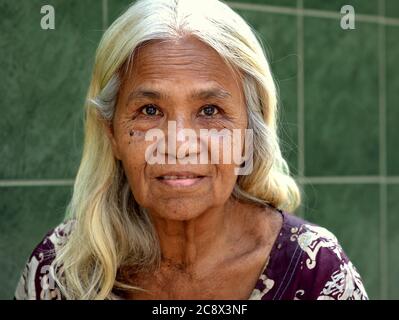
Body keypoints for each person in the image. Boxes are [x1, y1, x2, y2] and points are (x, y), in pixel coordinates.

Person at [14, 0, 368, 300]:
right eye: (150, 111)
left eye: (210, 111)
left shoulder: (317, 271)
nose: (180, 145)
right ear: (112, 133)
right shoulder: (60, 271)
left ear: (249, 133)